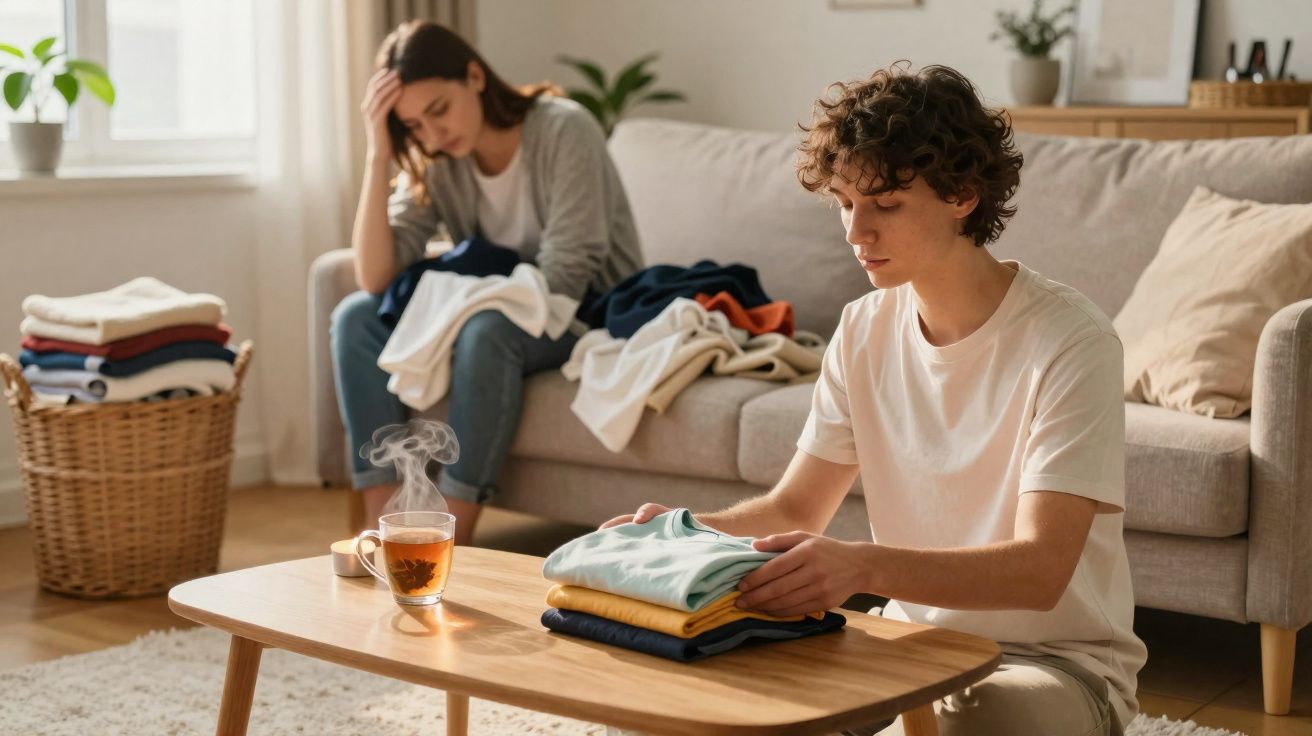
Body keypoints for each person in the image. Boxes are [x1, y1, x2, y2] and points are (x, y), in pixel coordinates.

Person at [603, 64, 1146, 736]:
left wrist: (858, 564)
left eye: (885, 205)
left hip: (1049, 664)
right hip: (904, 648)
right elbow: (796, 507)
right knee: (721, 692)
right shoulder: (863, 329)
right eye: (843, 203)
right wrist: (681, 531)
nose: (857, 232)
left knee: (962, 719)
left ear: (962, 195)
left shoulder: (1071, 339)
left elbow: (1041, 570)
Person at [332, 20, 643, 544]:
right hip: (498, 305)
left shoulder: (566, 129)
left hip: (585, 307)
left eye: (438, 110)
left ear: (475, 76)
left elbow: (566, 275)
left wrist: (465, 306)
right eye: (414, 126)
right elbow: (375, 276)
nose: (433, 134)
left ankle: (450, 534)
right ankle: (382, 524)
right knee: (355, 318)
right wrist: (377, 154)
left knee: (486, 330)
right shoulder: (438, 158)